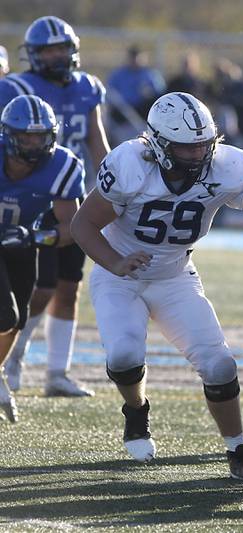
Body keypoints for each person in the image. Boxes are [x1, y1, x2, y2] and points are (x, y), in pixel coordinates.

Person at [70, 92, 243, 481]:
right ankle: (136, 410)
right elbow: (82, 224)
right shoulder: (130, 165)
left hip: (175, 276)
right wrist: (115, 261)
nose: (199, 153)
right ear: (160, 145)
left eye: (204, 143)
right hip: (120, 276)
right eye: (187, 146)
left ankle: (239, 450)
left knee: (220, 364)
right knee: (124, 356)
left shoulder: (226, 166)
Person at [0, 16, 111, 398]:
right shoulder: (14, 87)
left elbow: (97, 142)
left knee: (69, 286)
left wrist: (115, 185)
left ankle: (57, 373)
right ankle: (13, 356)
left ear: (73, 50)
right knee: (41, 288)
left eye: (61, 47)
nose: (55, 55)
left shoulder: (87, 87)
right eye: (47, 49)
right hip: (36, 195)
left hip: (72, 193)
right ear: (32, 54)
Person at [0, 95, 84, 421]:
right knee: (5, 315)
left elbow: (71, 227)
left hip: (21, 242)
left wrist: (32, 237)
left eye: (40, 136)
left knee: (17, 321)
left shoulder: (62, 165)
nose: (34, 144)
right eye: (26, 136)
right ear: (8, 134)